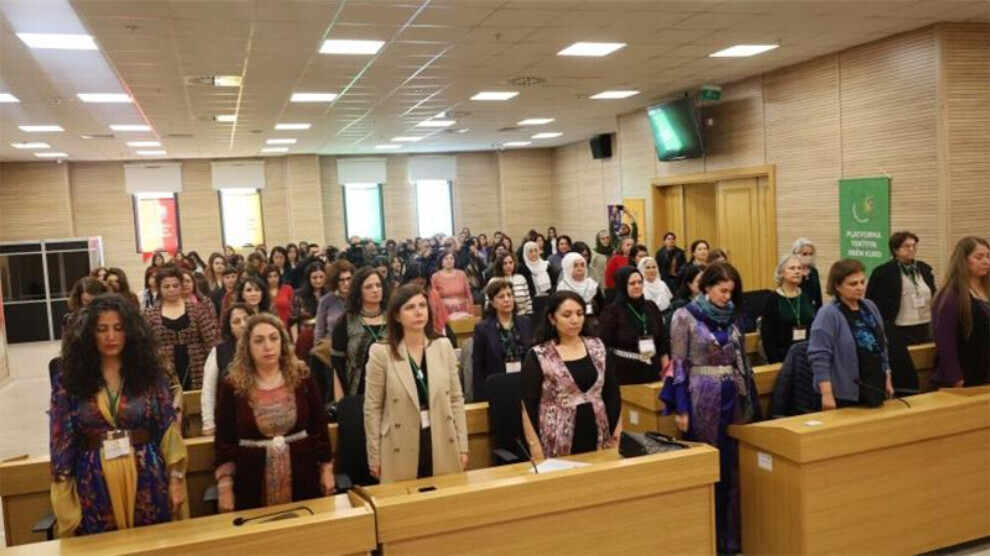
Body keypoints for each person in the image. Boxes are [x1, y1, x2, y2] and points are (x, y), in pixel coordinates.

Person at [50, 294, 187, 536]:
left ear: (130, 332)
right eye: (102, 329)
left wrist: (176, 478)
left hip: (147, 472)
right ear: (89, 334)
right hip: (94, 479)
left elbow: (167, 428)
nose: (111, 337)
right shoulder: (70, 379)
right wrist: (65, 497)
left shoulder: (149, 373)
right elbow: (62, 441)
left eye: (118, 328)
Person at [659, 262, 761, 555]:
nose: (727, 297)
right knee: (709, 466)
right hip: (701, 395)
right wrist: (681, 408)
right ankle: (708, 539)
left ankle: (731, 539)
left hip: (733, 394)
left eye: (731, 292)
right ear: (707, 287)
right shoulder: (684, 316)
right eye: (722, 291)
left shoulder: (732, 317)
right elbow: (678, 365)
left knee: (732, 467)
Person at [213, 313, 334, 511]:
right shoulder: (232, 385)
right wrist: (225, 486)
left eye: (273, 338)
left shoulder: (302, 377)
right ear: (247, 347)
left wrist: (326, 468)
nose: (268, 346)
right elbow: (224, 439)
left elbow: (318, 426)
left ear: (282, 342)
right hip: (252, 477)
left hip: (302, 470)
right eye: (259, 341)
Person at [364, 284, 468, 483]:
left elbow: (456, 399)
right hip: (399, 442)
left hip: (441, 436)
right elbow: (373, 408)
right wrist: (374, 456)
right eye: (410, 307)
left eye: (422, 306)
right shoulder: (380, 352)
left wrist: (463, 446)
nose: (418, 312)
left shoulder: (443, 346)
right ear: (397, 316)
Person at [521, 290, 621, 459]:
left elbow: (612, 393)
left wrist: (617, 433)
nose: (575, 320)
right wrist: (534, 446)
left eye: (579, 314)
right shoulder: (539, 355)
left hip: (598, 432)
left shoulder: (597, 347)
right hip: (556, 438)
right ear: (552, 319)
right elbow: (528, 406)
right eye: (567, 315)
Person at [808, 259, 894, 409]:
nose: (860, 287)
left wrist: (887, 378)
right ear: (837, 286)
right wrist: (826, 394)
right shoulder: (828, 314)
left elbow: (881, 346)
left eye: (862, 282)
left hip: (874, 384)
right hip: (844, 392)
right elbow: (819, 357)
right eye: (853, 284)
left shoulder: (870, 306)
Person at [144, 266, 220, 391]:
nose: (172, 290)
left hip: (198, 368)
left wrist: (213, 369)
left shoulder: (197, 310)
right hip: (165, 370)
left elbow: (211, 342)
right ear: (159, 288)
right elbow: (147, 347)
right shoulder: (150, 315)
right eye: (166, 286)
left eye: (175, 285)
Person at [931, 236, 990, 387]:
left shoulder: (986, 289)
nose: (986, 261)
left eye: (988, 256)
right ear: (963, 260)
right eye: (979, 257)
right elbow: (945, 341)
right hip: (965, 374)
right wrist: (955, 378)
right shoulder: (951, 295)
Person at [598, 267, 671, 384]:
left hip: (653, 369)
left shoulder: (651, 307)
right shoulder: (612, 312)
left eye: (640, 282)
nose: (637, 286)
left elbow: (662, 339)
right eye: (632, 283)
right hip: (625, 372)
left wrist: (666, 370)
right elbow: (603, 345)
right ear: (622, 285)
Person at [866, 231, 937, 344]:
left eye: (914, 245)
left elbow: (933, 293)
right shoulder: (883, 272)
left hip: (926, 323)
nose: (911, 249)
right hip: (900, 326)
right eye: (906, 246)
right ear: (895, 250)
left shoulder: (924, 269)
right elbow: (874, 301)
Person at [472, 279, 535, 401]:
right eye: (501, 297)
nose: (507, 299)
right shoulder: (482, 329)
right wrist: (480, 398)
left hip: (524, 382)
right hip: (498, 386)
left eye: (509, 295)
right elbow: (478, 365)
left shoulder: (526, 322)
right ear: (492, 303)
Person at [331, 267, 388, 398]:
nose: (375, 290)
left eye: (378, 285)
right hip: (357, 394)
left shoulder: (394, 318)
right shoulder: (346, 322)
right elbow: (338, 367)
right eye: (368, 287)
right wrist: (341, 403)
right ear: (359, 291)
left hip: (391, 393)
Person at [201, 303, 255, 435]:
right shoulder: (219, 352)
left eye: (246, 319)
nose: (243, 324)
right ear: (229, 328)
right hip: (230, 418)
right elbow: (208, 389)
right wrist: (208, 423)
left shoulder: (264, 347)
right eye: (236, 322)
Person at [761, 255, 817, 364]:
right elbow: (767, 335)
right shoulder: (772, 299)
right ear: (782, 272)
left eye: (799, 268)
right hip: (783, 357)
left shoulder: (806, 296)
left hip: (807, 354)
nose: (797, 271)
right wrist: (775, 362)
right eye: (792, 268)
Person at [290, 262, 328, 361]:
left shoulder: (330, 294)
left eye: (321, 277)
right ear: (308, 278)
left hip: (325, 340)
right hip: (305, 339)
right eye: (314, 278)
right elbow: (293, 321)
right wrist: (296, 342)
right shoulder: (299, 295)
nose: (318, 280)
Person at [556, 252, 605, 327]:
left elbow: (602, 307)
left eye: (582, 265)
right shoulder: (562, 287)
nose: (580, 268)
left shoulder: (592, 286)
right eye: (575, 266)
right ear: (568, 268)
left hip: (592, 325)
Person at [315, 260, 354, 344]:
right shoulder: (325, 301)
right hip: (331, 345)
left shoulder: (359, 298)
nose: (346, 283)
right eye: (341, 280)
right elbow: (319, 331)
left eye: (349, 279)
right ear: (335, 281)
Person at [519, 240, 559, 317]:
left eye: (536, 250)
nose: (534, 253)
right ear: (526, 254)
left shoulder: (546, 265)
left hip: (549, 300)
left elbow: (554, 283)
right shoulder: (523, 269)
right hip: (533, 303)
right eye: (530, 251)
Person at [431, 250, 473, 317]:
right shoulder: (435, 277)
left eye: (451, 258)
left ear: (454, 261)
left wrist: (470, 312)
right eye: (446, 259)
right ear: (441, 262)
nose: (449, 261)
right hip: (443, 313)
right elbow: (433, 299)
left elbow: (468, 294)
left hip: (462, 312)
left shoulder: (462, 274)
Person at [791, 238, 823, 312]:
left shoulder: (814, 271)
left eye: (811, 254)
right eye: (804, 254)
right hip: (796, 309)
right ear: (795, 254)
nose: (808, 257)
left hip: (812, 310)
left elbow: (818, 296)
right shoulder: (792, 271)